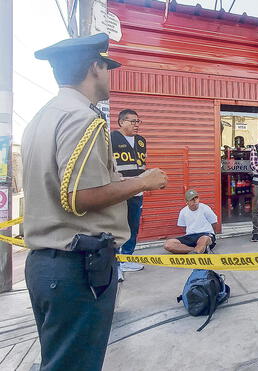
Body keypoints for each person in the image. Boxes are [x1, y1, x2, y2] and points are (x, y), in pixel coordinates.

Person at [22, 33, 167, 371]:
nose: (111, 75)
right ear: (94, 67)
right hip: (77, 267)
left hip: (49, 264)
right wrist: (142, 182)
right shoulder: (83, 118)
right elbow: (79, 196)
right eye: (108, 66)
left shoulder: (42, 117)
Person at [111, 109, 146, 275]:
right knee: (117, 226)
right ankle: (115, 262)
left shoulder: (141, 141)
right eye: (132, 121)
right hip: (119, 192)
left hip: (137, 191)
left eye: (138, 121)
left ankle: (127, 258)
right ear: (121, 122)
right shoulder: (111, 139)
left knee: (133, 225)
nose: (136, 125)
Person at [164, 189, 218, 254]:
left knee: (203, 239)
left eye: (196, 198)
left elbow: (214, 222)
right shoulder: (183, 211)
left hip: (205, 234)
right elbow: (183, 227)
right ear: (187, 202)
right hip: (190, 236)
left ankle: (198, 250)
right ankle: (196, 250)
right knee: (168, 244)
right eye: (192, 199)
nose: (195, 200)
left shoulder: (205, 208)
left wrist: (212, 235)